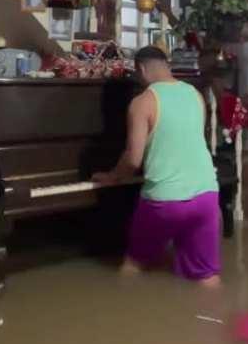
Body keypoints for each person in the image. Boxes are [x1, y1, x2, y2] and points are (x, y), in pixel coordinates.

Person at [93, 46, 220, 286]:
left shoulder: (142, 102)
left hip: (165, 202)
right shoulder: (195, 94)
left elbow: (133, 159)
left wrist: (113, 177)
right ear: (167, 64)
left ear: (140, 69)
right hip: (206, 195)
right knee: (207, 277)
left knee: (133, 265)